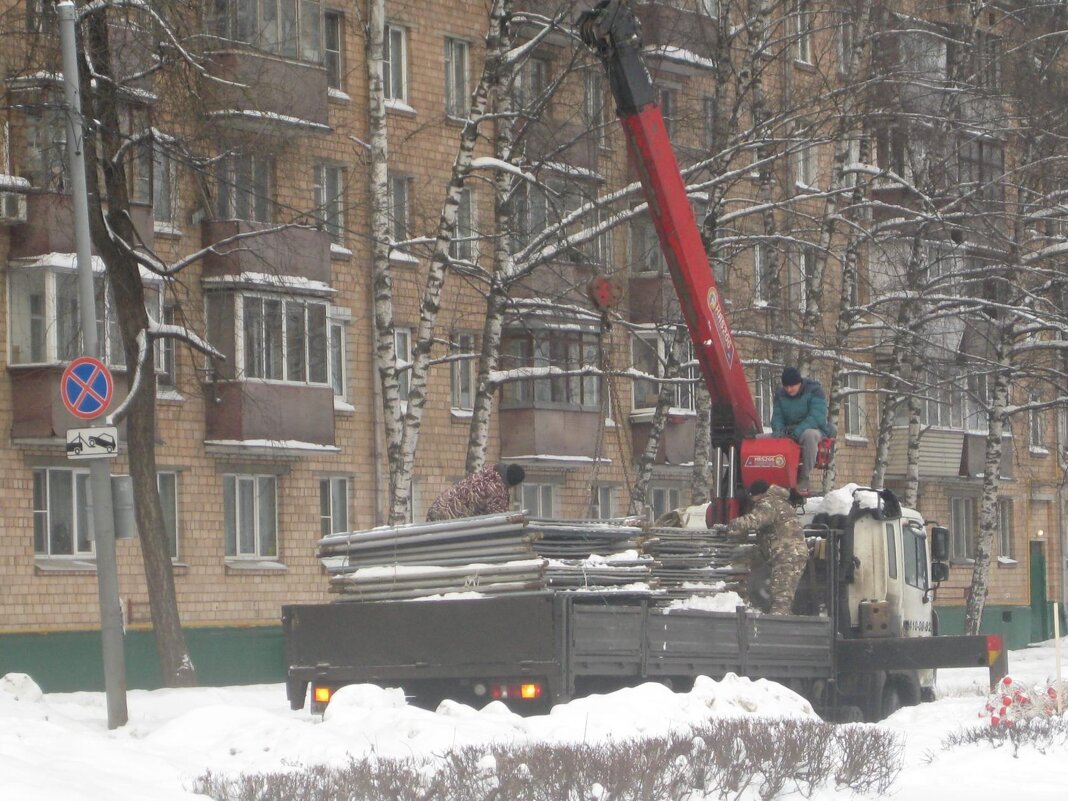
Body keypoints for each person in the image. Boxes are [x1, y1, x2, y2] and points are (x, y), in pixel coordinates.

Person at [727, 480, 808, 615]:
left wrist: (732, 524)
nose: (752, 500)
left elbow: (754, 520)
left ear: (758, 494)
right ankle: (780, 621)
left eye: (752, 496)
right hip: (790, 553)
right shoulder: (780, 502)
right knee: (779, 593)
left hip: (787, 555)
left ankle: (778, 624)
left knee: (781, 597)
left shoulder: (769, 503)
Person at [771, 366, 835, 492]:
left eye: (792, 386)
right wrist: (778, 432)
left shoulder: (815, 391)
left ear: (799, 382)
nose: (789, 389)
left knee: (809, 435)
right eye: (786, 386)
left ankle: (804, 476)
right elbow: (777, 417)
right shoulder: (780, 395)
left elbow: (816, 417)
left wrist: (797, 433)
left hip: (814, 429)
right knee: (761, 439)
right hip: (788, 432)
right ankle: (772, 475)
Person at [425, 463, 526, 521]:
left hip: (437, 507)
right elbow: (500, 520)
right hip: (448, 519)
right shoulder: (496, 491)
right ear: (513, 483)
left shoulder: (489, 473)